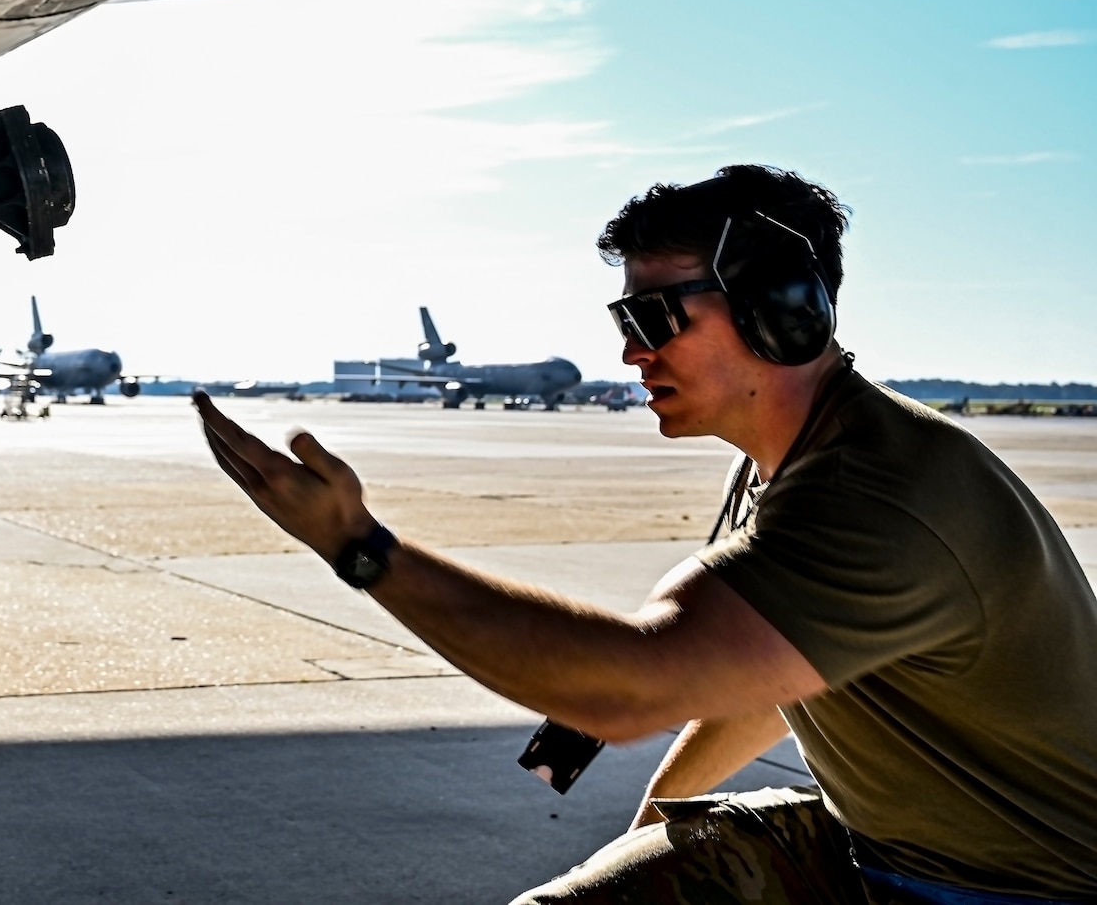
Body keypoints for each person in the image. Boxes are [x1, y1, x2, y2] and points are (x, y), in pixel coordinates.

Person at [194, 165, 1097, 905]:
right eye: (626, 321)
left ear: (783, 311)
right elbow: (766, 679)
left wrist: (362, 548)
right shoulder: (790, 465)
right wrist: (651, 834)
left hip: (1023, 891)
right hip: (880, 851)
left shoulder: (878, 495)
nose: (633, 353)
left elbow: (628, 687)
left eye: (656, 317)